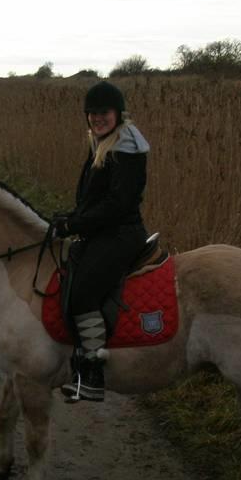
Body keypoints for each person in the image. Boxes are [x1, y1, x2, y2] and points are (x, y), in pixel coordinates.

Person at [51, 81, 150, 403]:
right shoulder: (102, 142)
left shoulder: (127, 147)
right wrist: (69, 217)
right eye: (92, 113)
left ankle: (93, 372)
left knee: (82, 294)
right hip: (103, 231)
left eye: (104, 112)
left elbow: (118, 205)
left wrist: (76, 223)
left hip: (121, 234)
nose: (97, 118)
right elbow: (94, 198)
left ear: (118, 113)